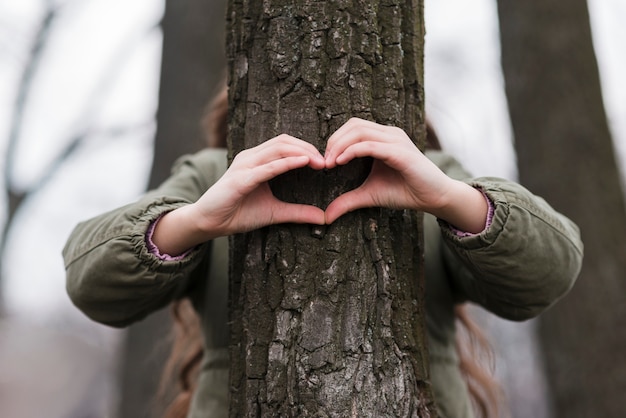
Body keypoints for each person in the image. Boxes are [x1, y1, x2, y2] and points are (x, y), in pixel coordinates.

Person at [63, 88, 583, 418]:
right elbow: (91, 281)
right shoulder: (211, 173)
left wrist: (448, 197)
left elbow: (551, 271)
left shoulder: (432, 172)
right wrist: (197, 220)